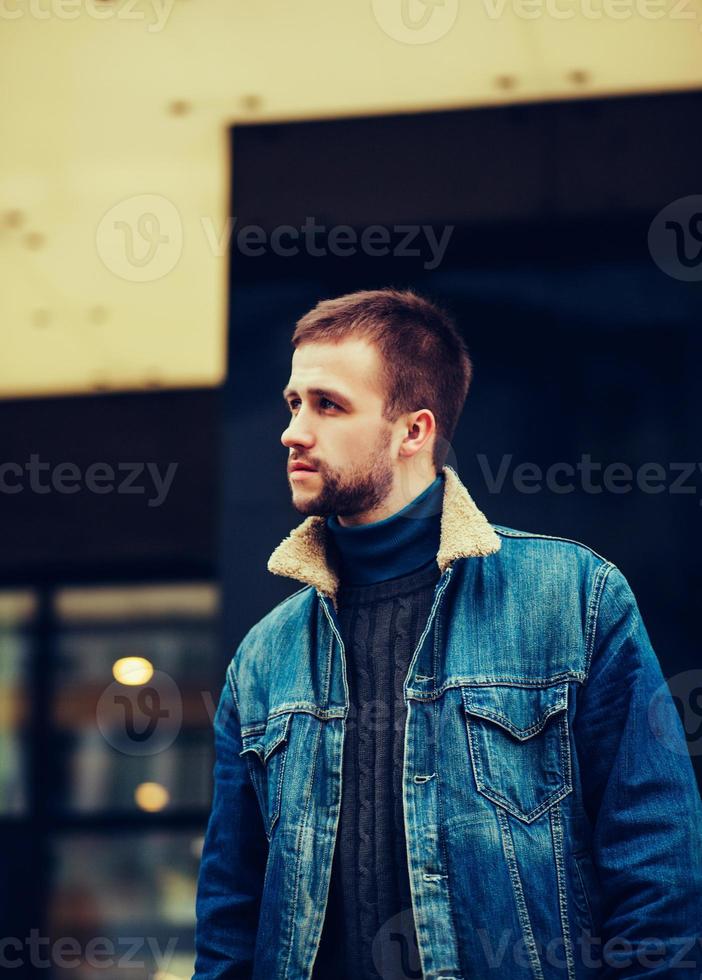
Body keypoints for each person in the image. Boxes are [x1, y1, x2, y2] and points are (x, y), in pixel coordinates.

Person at [193, 288, 702, 980]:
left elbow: (656, 867)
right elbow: (230, 915)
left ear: (414, 431)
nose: (293, 431)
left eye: (328, 404)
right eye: (293, 403)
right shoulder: (263, 658)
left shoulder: (575, 598)